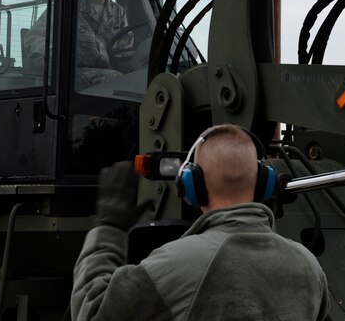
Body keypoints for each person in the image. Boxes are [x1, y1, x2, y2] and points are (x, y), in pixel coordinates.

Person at [70, 124, 330, 321]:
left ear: (191, 184)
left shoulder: (174, 264)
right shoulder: (309, 267)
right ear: (264, 184)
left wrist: (109, 227)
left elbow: (92, 311)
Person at [24, 0, 133, 90]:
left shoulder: (118, 12)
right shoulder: (67, 5)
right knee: (116, 80)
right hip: (70, 76)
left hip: (107, 76)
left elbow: (125, 52)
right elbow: (33, 39)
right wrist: (64, 55)